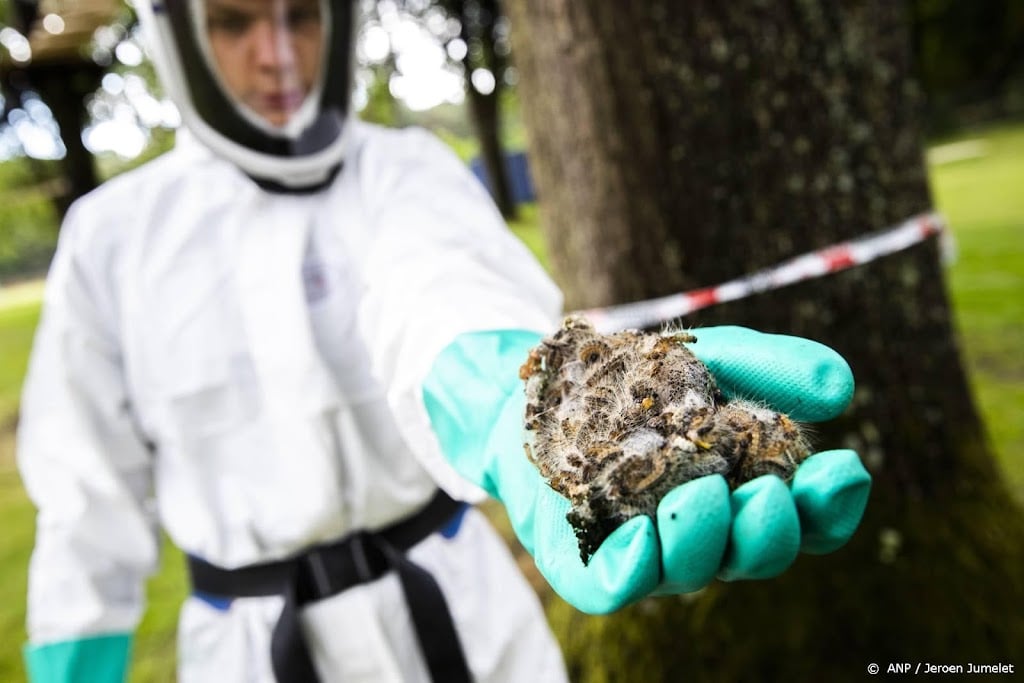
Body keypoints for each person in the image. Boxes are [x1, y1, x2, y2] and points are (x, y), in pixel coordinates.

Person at [16, 0, 872, 680]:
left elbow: (440, 283)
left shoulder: (407, 171)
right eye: (233, 21)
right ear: (178, 33)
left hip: (461, 617)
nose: (276, 54)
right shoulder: (112, 240)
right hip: (250, 650)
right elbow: (85, 500)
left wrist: (508, 394)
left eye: (303, 14)